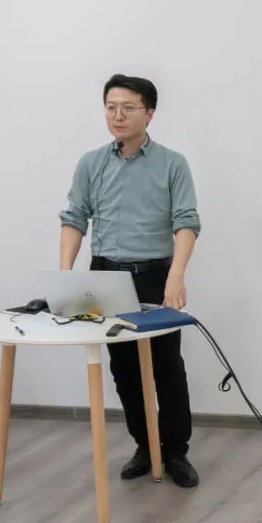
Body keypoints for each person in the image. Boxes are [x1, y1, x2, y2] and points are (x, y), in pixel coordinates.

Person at [59, 74, 201, 488]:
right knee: (123, 368)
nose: (117, 116)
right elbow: (75, 217)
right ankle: (145, 444)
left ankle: (174, 450)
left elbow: (186, 222)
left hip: (156, 275)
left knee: (166, 367)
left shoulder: (172, 163)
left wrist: (176, 275)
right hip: (106, 274)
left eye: (128, 108)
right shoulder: (91, 163)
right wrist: (65, 275)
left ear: (149, 113)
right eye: (111, 107)